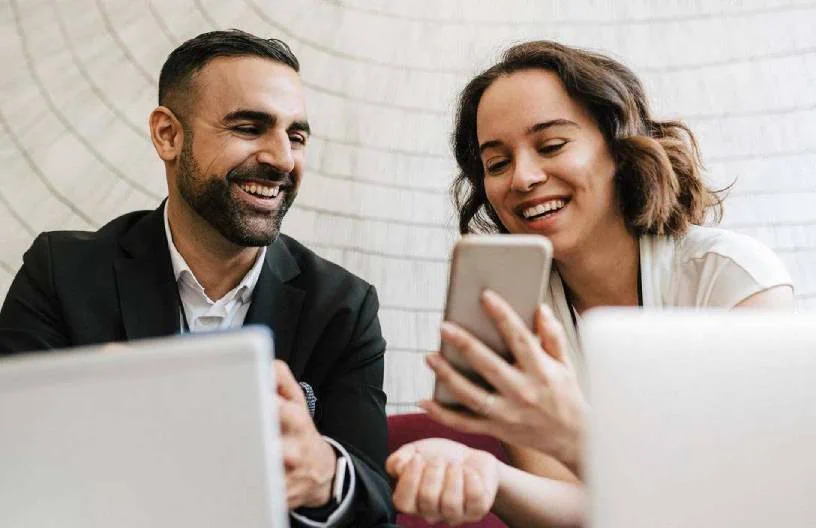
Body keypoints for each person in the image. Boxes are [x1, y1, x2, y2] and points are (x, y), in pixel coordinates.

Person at [386, 40, 794, 527]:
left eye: (551, 145)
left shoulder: (731, 280)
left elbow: (750, 505)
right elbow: (578, 511)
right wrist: (489, 474)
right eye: (497, 163)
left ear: (618, 148)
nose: (524, 177)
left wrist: (573, 435)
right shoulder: (513, 315)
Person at [0, 30, 395, 527]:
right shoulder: (60, 271)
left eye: (296, 136)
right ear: (168, 135)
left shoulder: (344, 306)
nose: (282, 159)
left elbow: (374, 500)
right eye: (250, 128)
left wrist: (324, 475)